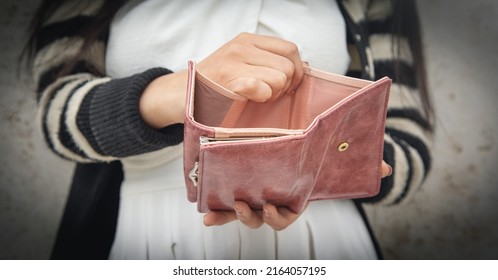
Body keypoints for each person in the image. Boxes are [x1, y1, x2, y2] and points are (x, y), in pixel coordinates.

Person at [25, 0, 433, 259]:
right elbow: (56, 119)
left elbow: (407, 145)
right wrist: (185, 91)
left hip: (321, 237)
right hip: (148, 235)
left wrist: (320, 172)